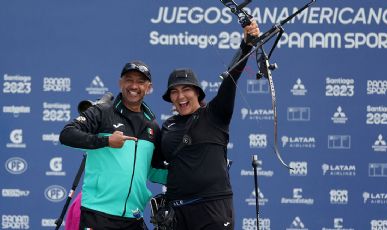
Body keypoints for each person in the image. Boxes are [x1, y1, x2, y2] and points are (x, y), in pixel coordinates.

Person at [160, 20, 260, 229]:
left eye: (186, 89)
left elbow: (231, 77)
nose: (181, 96)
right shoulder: (168, 126)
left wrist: (246, 45)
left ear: (197, 92)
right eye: (174, 92)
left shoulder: (215, 114)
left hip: (212, 209)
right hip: (177, 214)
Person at [59, 61, 167, 230]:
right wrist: (106, 141)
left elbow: (154, 170)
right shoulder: (102, 112)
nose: (134, 86)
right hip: (98, 214)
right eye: (129, 80)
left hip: (134, 217)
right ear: (120, 83)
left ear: (149, 87)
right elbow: (67, 134)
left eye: (140, 81)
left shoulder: (152, 126)